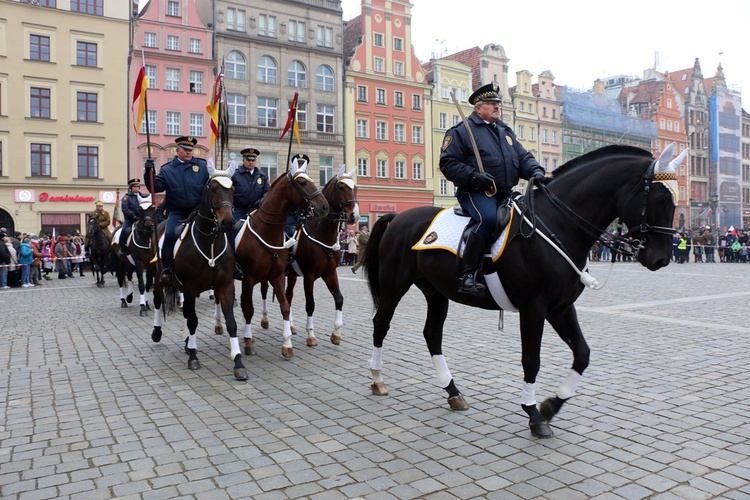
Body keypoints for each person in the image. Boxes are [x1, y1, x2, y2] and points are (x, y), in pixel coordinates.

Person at [439, 82, 545, 296]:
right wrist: (475, 177)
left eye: (498, 103)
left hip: (505, 193)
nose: (497, 107)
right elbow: (447, 163)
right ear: (478, 108)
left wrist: (535, 171)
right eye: (491, 103)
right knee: (487, 219)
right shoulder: (462, 131)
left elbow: (523, 157)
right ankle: (467, 274)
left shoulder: (505, 131)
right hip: (476, 192)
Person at [144, 135, 208, 286]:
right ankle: (168, 270)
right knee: (170, 235)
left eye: (190, 150)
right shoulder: (167, 169)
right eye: (185, 150)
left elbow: (210, 185)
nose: (188, 152)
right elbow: (156, 187)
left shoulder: (202, 166)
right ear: (177, 150)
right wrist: (148, 173)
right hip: (179, 212)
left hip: (199, 211)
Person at [231, 148, 269, 221]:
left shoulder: (262, 176)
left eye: (253, 160)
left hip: (257, 211)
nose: (251, 162)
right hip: (239, 210)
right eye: (248, 160)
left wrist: (261, 201)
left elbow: (267, 192)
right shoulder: (235, 175)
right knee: (232, 228)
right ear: (243, 160)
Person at [118, 178, 147, 257]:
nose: (136, 188)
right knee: (124, 230)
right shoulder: (126, 197)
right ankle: (122, 248)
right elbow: (125, 209)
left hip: (141, 219)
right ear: (131, 188)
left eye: (137, 186)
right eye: (134, 187)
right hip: (130, 219)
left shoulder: (143, 196)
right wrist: (133, 216)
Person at [283, 154, 309, 238]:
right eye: (298, 164)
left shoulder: (308, 181)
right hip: (291, 213)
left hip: (305, 214)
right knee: (289, 234)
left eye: (302, 164)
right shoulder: (288, 180)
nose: (300, 166)